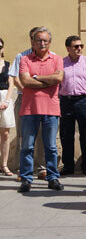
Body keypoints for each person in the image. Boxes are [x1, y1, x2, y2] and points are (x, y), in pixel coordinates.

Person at [17, 26, 64, 192]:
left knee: (50, 146)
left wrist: (36, 77)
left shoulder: (57, 59)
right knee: (27, 146)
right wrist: (47, 82)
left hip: (51, 109)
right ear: (33, 42)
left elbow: (58, 78)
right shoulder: (25, 59)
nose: (42, 43)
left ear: (50, 42)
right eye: (39, 40)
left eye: (45, 40)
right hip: (30, 109)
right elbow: (25, 82)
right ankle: (26, 179)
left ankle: (53, 178)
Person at [9, 27, 49, 181]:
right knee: (23, 135)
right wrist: (28, 91)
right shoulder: (21, 56)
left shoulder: (48, 58)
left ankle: (42, 168)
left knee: (41, 136)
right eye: (35, 38)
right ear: (31, 40)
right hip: (24, 99)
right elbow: (16, 78)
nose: (39, 42)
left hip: (43, 100)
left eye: (42, 39)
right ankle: (22, 169)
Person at [58, 35, 86, 176]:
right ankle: (68, 166)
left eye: (81, 46)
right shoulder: (61, 63)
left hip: (84, 100)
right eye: (76, 46)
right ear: (68, 48)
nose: (79, 49)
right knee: (66, 134)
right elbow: (57, 84)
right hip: (66, 101)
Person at [0, 38, 16, 176]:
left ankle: (4, 165)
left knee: (5, 134)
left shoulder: (7, 64)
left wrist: (6, 100)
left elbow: (11, 84)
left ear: (3, 49)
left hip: (5, 98)